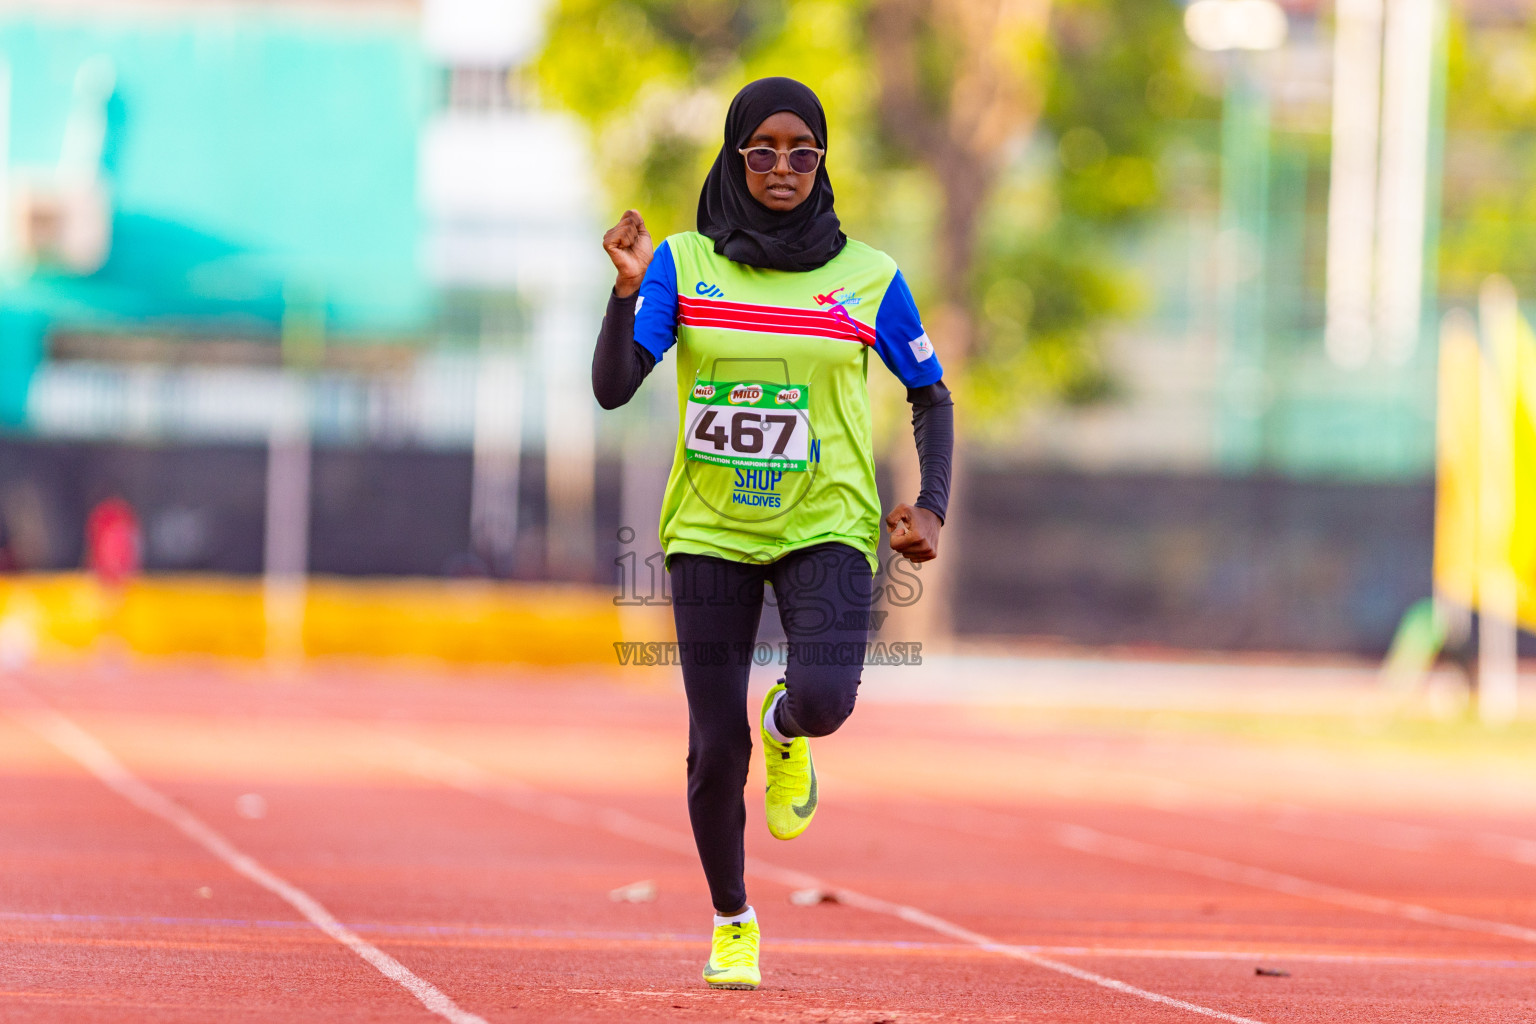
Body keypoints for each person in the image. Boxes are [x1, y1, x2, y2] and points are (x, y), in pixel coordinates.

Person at [592, 77, 953, 990]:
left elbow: (929, 394)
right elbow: (613, 385)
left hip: (826, 522)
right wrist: (624, 292)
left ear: (823, 161)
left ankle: (787, 726)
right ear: (734, 156)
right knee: (714, 747)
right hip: (710, 531)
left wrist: (932, 505)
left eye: (802, 150)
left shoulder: (869, 277)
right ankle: (732, 918)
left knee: (828, 700)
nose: (783, 166)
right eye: (762, 149)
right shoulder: (684, 263)